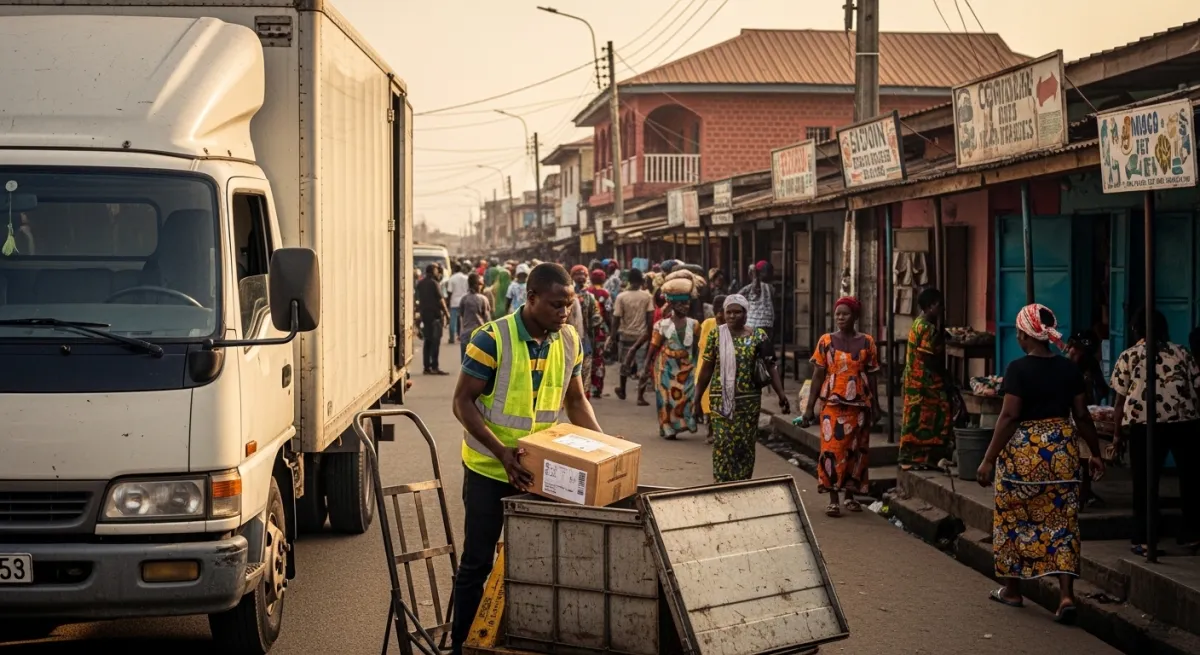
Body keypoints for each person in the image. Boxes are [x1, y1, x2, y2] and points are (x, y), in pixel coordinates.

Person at [450, 263, 601, 655]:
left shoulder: (569, 339)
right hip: (489, 469)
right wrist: (502, 454)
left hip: (541, 472)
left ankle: (524, 641)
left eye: (569, 305)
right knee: (477, 564)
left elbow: (575, 400)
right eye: (556, 305)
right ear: (531, 299)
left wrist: (604, 449)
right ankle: (461, 644)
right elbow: (462, 402)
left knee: (539, 566)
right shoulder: (491, 339)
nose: (564, 313)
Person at [977, 303, 1104, 623]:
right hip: (1061, 455)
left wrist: (988, 459)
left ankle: (1013, 590)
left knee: (1012, 522)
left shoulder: (1018, 369)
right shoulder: (1069, 369)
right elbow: (1082, 415)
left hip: (1022, 459)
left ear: (1023, 334)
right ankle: (1065, 597)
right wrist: (1096, 453)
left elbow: (1008, 417)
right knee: (1063, 525)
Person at [1110, 308, 1200, 556]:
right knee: (1190, 479)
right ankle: (1192, 533)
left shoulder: (1129, 356)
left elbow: (1119, 403)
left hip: (1144, 425)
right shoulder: (1182, 352)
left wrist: (1117, 435)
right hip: (1185, 422)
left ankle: (1145, 537)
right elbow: (1198, 389)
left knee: (1145, 482)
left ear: (1135, 329)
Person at [695, 294, 789, 481]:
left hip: (749, 401)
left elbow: (771, 366)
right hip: (721, 399)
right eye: (729, 312)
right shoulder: (716, 334)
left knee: (745, 444)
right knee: (723, 442)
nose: (732, 316)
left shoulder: (758, 336)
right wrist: (697, 398)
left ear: (746, 314)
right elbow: (706, 369)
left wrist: (781, 394)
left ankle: (742, 482)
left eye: (737, 312)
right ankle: (722, 482)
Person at [802, 297, 879, 517]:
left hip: (860, 406)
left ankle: (850, 496)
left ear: (855, 317)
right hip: (832, 404)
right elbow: (818, 375)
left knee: (856, 452)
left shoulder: (867, 342)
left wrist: (876, 405)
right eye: (837, 314)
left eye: (845, 314)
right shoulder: (826, 341)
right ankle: (833, 498)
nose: (840, 317)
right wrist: (810, 407)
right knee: (832, 451)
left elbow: (872, 376)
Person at [899, 288, 955, 470]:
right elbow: (929, 358)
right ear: (930, 307)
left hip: (916, 379)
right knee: (934, 415)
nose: (942, 309)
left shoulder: (919, 324)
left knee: (916, 417)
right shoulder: (926, 328)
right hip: (924, 382)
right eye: (939, 306)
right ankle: (918, 458)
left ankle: (919, 458)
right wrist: (946, 377)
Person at [642, 281, 700, 439]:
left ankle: (684, 422)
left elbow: (698, 347)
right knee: (665, 398)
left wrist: (698, 365)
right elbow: (653, 346)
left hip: (686, 367)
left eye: (687, 303)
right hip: (665, 366)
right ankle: (667, 427)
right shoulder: (662, 325)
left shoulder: (694, 324)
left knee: (686, 396)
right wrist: (646, 366)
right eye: (681, 303)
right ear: (672, 304)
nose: (685, 307)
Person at [612, 268, 655, 404]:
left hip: (625, 335)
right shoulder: (647, 296)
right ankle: (640, 397)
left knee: (625, 364)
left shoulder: (621, 297)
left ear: (629, 281)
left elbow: (616, 318)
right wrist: (649, 334)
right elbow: (650, 318)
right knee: (642, 365)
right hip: (642, 336)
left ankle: (623, 390)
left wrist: (613, 336)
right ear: (641, 281)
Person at [569, 265, 602, 397]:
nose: (581, 277)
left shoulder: (590, 297)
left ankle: (583, 396)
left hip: (585, 339)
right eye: (577, 274)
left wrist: (595, 337)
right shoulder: (568, 294)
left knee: (585, 368)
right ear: (572, 277)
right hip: (568, 337)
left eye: (583, 274)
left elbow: (596, 318)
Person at [698, 295, 726, 444]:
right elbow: (702, 346)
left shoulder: (731, 327)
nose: (720, 315)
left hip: (723, 369)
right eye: (717, 310)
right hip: (707, 367)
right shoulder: (708, 324)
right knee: (707, 399)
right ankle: (710, 430)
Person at [417, 263, 450, 375]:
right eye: (437, 270)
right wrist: (447, 314)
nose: (438, 272)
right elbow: (441, 300)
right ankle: (434, 366)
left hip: (425, 316)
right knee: (435, 342)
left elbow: (416, 301)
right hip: (435, 317)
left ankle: (426, 367)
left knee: (427, 341)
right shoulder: (434, 283)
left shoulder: (420, 284)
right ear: (433, 271)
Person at [586, 269, 611, 397]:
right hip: (600, 331)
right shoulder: (605, 294)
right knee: (599, 359)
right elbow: (607, 313)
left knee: (586, 358)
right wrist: (611, 330)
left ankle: (587, 386)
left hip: (586, 330)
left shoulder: (586, 292)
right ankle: (598, 387)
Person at [457, 273, 492, 359]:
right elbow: (487, 320)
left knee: (465, 364)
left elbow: (461, 316)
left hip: (465, 336)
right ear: (474, 285)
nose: (482, 286)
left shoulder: (464, 299)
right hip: (480, 337)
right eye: (480, 284)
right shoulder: (483, 299)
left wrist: (459, 333)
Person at [738, 261, 774, 340]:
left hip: (753, 324)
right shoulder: (770, 287)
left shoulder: (752, 287)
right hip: (767, 325)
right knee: (765, 347)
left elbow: (738, 296)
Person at [446, 263, 471, 345]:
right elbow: (468, 290)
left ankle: (452, 338)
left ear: (454, 269)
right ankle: (462, 337)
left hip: (454, 302)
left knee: (453, 321)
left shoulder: (452, 279)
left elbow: (449, 292)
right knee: (464, 320)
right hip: (464, 301)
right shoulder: (466, 278)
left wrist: (448, 303)